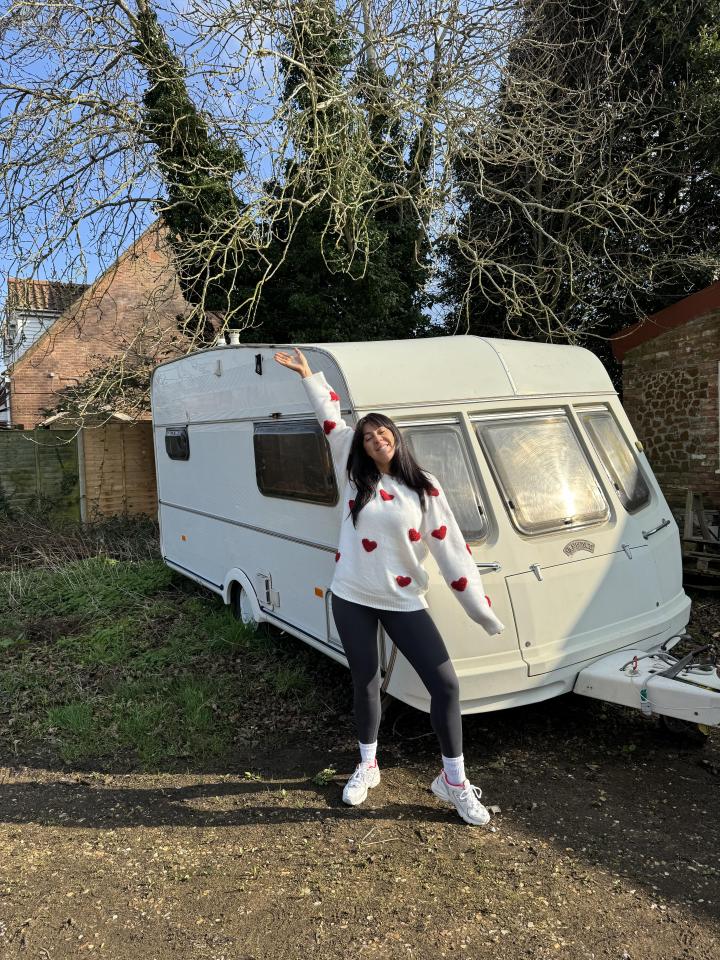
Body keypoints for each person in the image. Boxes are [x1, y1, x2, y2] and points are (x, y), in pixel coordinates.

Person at [274, 347, 505, 826]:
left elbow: (452, 552)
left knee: (445, 684)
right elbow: (331, 420)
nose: (378, 440)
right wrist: (308, 376)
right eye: (370, 436)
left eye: (384, 433)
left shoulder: (425, 487)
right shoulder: (353, 476)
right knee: (365, 681)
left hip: (402, 598)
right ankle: (367, 765)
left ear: (396, 439)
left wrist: (479, 608)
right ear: (362, 446)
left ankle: (453, 782)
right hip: (352, 594)